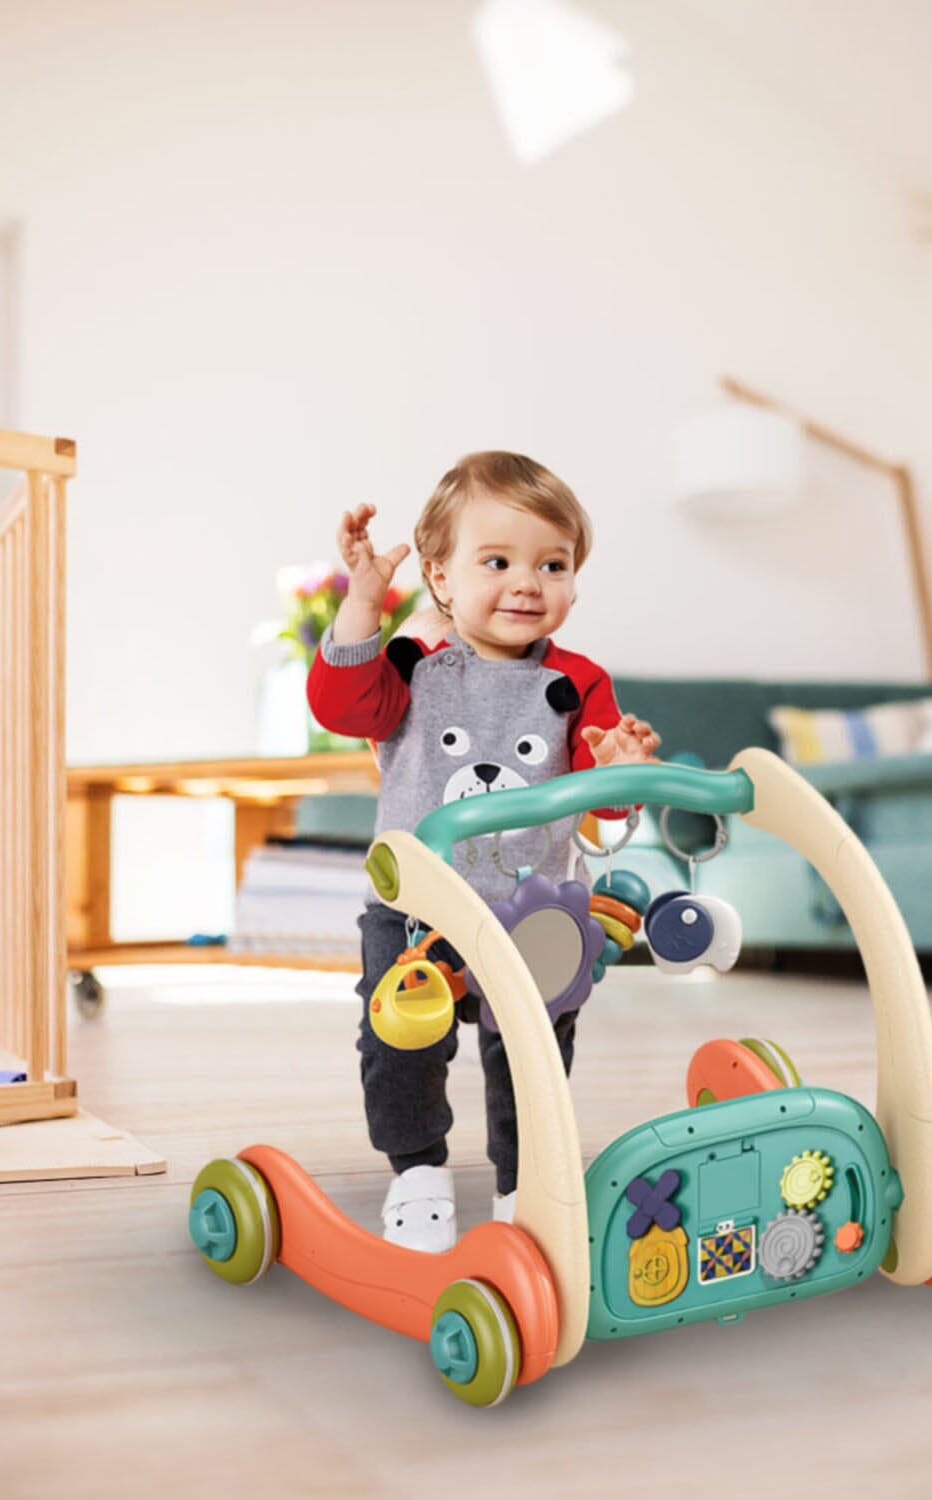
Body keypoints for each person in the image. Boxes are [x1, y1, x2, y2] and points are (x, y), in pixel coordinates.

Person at [308, 452, 660, 1248]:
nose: (529, 582)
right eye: (497, 562)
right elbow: (340, 704)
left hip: (534, 910)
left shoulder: (579, 680)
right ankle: (419, 1175)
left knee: (533, 1053)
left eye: (553, 564)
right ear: (439, 576)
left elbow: (605, 797)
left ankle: (522, 1188)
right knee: (400, 1042)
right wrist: (363, 606)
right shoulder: (414, 664)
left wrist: (619, 768)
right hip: (415, 909)